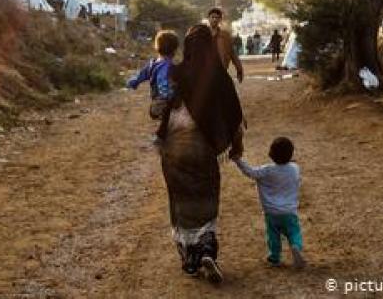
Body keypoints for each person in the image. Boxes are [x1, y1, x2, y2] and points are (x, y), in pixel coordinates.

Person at [157, 24, 244, 284]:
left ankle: (190, 260)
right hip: (202, 148)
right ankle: (207, 248)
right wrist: (235, 146)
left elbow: (161, 107)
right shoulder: (219, 77)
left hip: (173, 148)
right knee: (206, 195)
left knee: (180, 199)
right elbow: (234, 115)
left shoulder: (176, 72)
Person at [230, 137, 306, 269]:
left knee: (273, 235)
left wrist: (238, 160)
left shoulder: (267, 170)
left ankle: (274, 258)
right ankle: (295, 246)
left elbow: (250, 172)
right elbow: (293, 171)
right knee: (294, 232)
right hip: (289, 212)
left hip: (271, 213)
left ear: (271, 153)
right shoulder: (295, 168)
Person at [127, 30, 179, 139]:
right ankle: (162, 136)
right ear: (174, 49)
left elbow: (139, 77)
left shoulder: (153, 63)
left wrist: (131, 83)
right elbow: (163, 86)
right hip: (162, 105)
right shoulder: (167, 66)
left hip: (156, 103)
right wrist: (171, 96)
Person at [207, 8, 244, 83]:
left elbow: (232, 53)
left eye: (217, 17)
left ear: (220, 19)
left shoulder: (225, 36)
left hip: (221, 70)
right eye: (212, 17)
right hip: (205, 71)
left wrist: (239, 69)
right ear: (208, 18)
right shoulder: (202, 35)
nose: (214, 19)